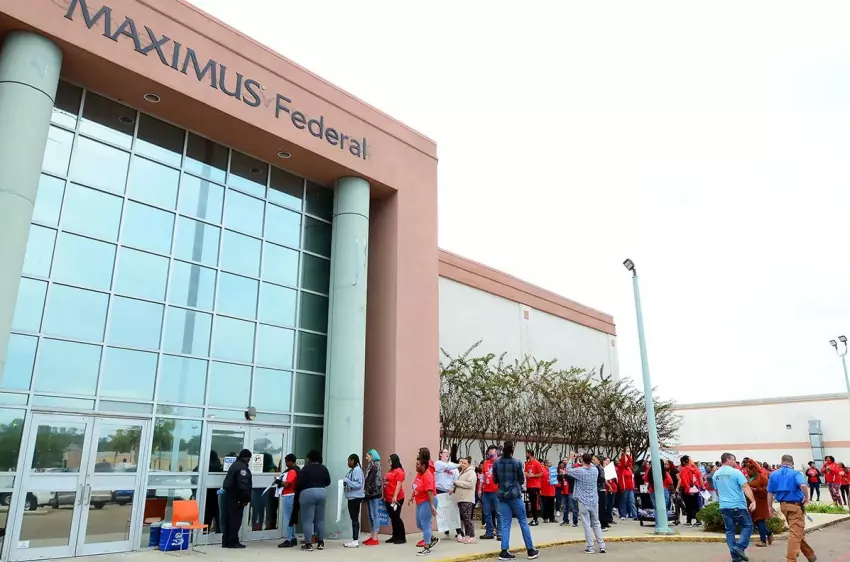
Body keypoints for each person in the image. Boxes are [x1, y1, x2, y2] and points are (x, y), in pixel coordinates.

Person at [492, 441, 539, 561]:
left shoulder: (496, 463)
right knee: (523, 521)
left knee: (505, 523)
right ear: (512, 450)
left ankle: (504, 551)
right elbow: (522, 480)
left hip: (502, 496)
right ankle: (530, 549)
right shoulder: (517, 462)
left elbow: (495, 480)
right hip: (515, 495)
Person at [768, 454, 817, 562]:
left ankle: (810, 555)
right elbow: (803, 485)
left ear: (782, 462)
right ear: (792, 463)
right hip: (795, 506)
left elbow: (770, 492)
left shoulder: (774, 474)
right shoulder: (795, 473)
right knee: (795, 533)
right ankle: (791, 559)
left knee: (797, 531)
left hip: (783, 506)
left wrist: (770, 506)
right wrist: (807, 497)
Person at [714, 452, 756, 562]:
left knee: (730, 531)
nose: (735, 462)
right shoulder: (736, 472)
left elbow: (717, 492)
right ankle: (739, 547)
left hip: (724, 506)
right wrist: (753, 501)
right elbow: (745, 487)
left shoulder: (716, 474)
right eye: (733, 459)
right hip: (738, 505)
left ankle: (735, 556)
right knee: (748, 526)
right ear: (728, 459)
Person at [567, 453, 606, 555]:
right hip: (594, 500)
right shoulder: (595, 470)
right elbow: (591, 464)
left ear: (582, 460)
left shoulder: (580, 471)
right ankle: (601, 546)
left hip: (583, 501)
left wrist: (571, 458)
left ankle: (590, 547)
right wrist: (583, 458)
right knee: (596, 523)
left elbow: (568, 470)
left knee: (587, 524)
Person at [297, 449, 331, 552]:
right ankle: (320, 542)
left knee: (308, 520)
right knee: (320, 520)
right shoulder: (323, 468)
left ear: (309, 459)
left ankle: (308, 544)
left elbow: (299, 483)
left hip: (308, 493)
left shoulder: (305, 469)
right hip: (322, 492)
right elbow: (328, 482)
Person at [222, 449, 252, 549]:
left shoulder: (234, 465)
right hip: (236, 497)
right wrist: (245, 500)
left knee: (228, 519)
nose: (249, 460)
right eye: (249, 458)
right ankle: (233, 541)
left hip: (229, 495)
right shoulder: (242, 468)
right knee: (235, 520)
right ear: (246, 457)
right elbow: (243, 485)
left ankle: (226, 541)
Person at [409, 456, 438, 556]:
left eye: (418, 464)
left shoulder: (427, 475)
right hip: (420, 501)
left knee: (425, 523)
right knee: (419, 524)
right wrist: (412, 496)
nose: (416, 466)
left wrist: (432, 506)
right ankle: (432, 538)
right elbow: (416, 486)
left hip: (427, 501)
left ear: (423, 466)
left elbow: (430, 492)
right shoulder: (419, 474)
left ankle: (426, 547)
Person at [744, 458, 773, 548]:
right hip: (750, 502)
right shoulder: (747, 478)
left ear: (754, 470)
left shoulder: (762, 478)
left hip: (760, 502)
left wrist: (757, 490)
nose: (747, 471)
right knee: (756, 521)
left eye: (749, 470)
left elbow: (768, 490)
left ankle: (763, 541)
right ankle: (769, 533)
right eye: (747, 469)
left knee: (759, 520)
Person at [435, 447, 461, 538]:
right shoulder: (438, 464)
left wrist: (453, 488)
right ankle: (446, 529)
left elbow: (457, 479)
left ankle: (459, 532)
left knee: (453, 512)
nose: (447, 454)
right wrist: (460, 464)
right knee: (443, 512)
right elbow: (447, 466)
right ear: (440, 454)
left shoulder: (453, 466)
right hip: (439, 491)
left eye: (448, 452)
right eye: (445, 452)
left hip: (450, 491)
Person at [276, 454, 299, 548]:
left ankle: (288, 539)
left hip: (289, 496)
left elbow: (286, 484)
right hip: (292, 495)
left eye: (286, 462)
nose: (286, 464)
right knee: (291, 518)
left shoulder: (292, 471)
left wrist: (278, 481)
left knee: (288, 518)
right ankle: (293, 538)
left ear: (290, 461)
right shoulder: (296, 470)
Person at [452, 456, 478, 543]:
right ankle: (467, 536)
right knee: (464, 518)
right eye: (461, 463)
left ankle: (472, 536)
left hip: (467, 498)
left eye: (464, 463)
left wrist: (457, 483)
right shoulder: (462, 472)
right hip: (461, 498)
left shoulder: (471, 472)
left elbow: (470, 484)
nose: (462, 464)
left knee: (467, 518)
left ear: (469, 464)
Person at [479, 445, 502, 540]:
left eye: (493, 454)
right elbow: (482, 476)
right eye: (490, 454)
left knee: (499, 513)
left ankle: (500, 533)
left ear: (497, 453)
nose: (491, 456)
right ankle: (489, 532)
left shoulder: (500, 463)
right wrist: (480, 488)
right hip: (486, 492)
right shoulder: (486, 463)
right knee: (487, 513)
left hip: (497, 492)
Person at [343, 453, 366, 548]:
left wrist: (347, 481)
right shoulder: (353, 470)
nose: (348, 463)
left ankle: (355, 540)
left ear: (353, 461)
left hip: (355, 498)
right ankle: (354, 539)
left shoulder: (357, 470)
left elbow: (358, 484)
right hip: (353, 497)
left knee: (354, 519)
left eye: (349, 461)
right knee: (354, 518)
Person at [384, 453, 407, 544]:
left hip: (397, 498)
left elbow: (398, 484)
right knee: (392, 517)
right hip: (388, 498)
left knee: (396, 517)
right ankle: (395, 535)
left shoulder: (399, 471)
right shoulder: (391, 470)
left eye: (390, 460)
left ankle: (401, 537)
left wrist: (395, 496)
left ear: (394, 460)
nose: (388, 461)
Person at [363, 449, 384, 546]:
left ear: (372, 456)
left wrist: (370, 490)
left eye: (367, 456)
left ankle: (375, 537)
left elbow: (377, 481)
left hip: (374, 494)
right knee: (370, 515)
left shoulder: (376, 465)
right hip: (370, 494)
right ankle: (372, 536)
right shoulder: (370, 465)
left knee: (374, 515)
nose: (366, 457)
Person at [678, 455, 703, 527]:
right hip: (695, 488)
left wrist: (688, 490)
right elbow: (700, 477)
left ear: (683, 462)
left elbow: (685, 480)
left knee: (688, 506)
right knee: (696, 505)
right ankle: (698, 521)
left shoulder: (684, 469)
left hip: (688, 489)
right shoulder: (695, 468)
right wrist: (702, 486)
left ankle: (689, 521)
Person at [203, 451, 223, 532]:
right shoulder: (219, 466)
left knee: (207, 516)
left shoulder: (204, 466)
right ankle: (219, 533)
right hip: (217, 495)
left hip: (207, 495)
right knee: (218, 516)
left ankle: (204, 532)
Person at [524, 450, 544, 526]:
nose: (526, 455)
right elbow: (525, 472)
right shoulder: (527, 463)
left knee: (534, 503)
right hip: (529, 485)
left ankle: (535, 519)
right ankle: (533, 518)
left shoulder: (537, 463)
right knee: (531, 503)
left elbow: (541, 473)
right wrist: (527, 474)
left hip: (535, 486)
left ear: (530, 454)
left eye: (527, 453)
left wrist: (533, 475)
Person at [617, 449, 637, 519]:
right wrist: (624, 456)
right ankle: (623, 515)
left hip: (630, 488)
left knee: (632, 501)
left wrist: (627, 455)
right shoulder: (620, 468)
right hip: (624, 488)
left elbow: (630, 461)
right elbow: (623, 463)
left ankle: (634, 515)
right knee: (623, 501)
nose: (626, 462)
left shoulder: (629, 468)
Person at [591, 456, 609, 530]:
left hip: (600, 489)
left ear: (598, 461)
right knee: (599, 507)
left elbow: (602, 479)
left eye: (594, 459)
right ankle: (603, 523)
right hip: (598, 489)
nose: (593, 461)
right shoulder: (595, 468)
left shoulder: (599, 468)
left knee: (601, 507)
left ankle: (602, 524)